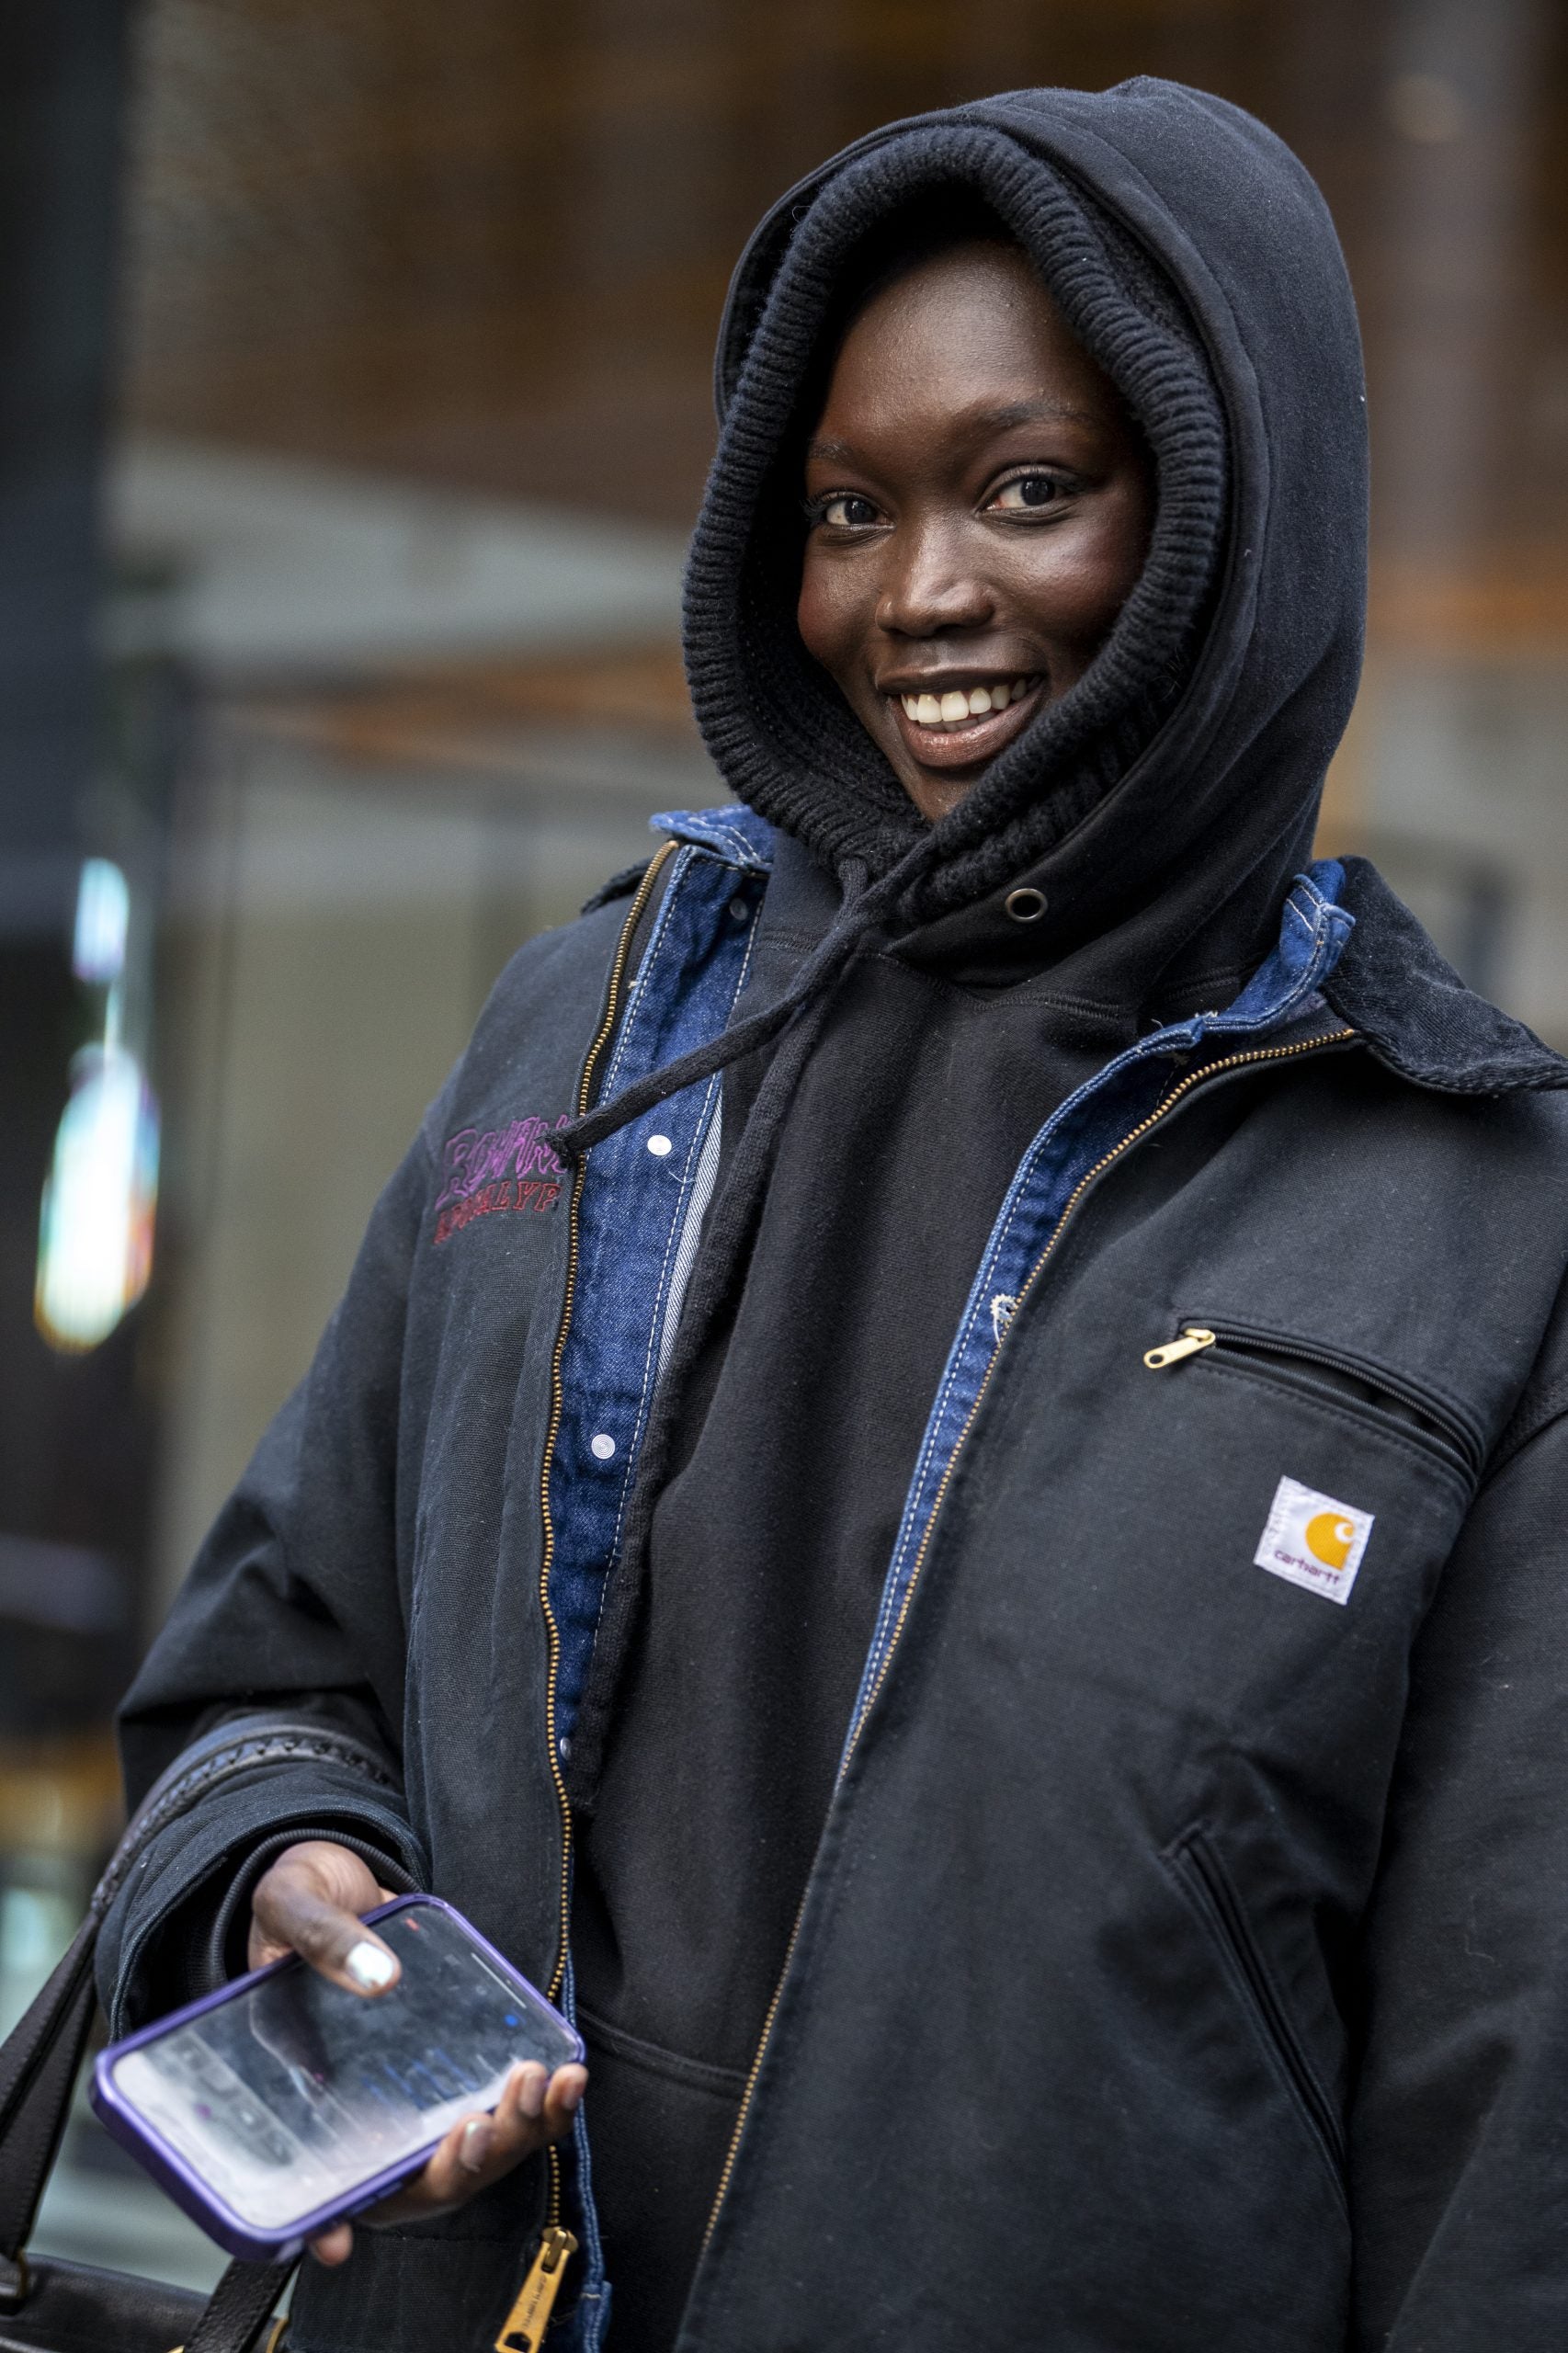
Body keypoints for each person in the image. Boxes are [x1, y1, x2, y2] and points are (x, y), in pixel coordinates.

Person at [101, 74, 1568, 2353]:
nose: (922, 593)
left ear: (1230, 508)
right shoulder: (585, 1037)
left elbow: (1510, 2115)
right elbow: (275, 1662)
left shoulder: (1478, 1214)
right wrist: (286, 1869)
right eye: (846, 508)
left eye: (1030, 489)